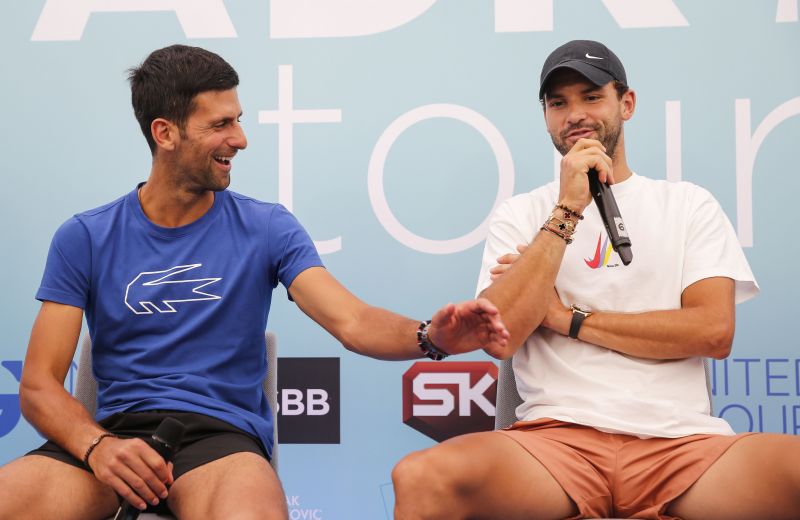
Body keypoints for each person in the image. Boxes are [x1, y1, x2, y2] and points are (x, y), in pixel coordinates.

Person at [0, 44, 509, 520]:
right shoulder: (85, 236)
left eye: (238, 120)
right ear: (165, 133)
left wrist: (431, 337)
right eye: (221, 124)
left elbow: (353, 321)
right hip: (114, 442)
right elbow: (40, 385)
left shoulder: (267, 227)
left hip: (219, 444)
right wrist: (97, 446)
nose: (240, 139)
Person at [392, 40, 800, 519]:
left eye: (591, 97)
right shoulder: (520, 215)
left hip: (681, 446)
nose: (575, 115)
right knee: (419, 476)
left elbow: (712, 332)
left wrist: (566, 318)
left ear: (626, 103)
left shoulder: (688, 204)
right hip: (554, 446)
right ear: (545, 116)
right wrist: (567, 208)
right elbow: (502, 337)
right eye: (558, 103)